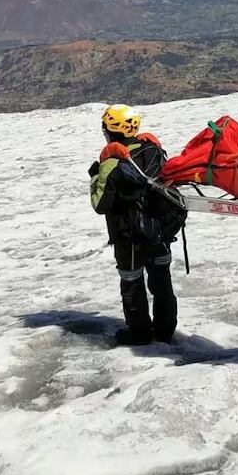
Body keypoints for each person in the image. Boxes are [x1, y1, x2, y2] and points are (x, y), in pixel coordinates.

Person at [88, 104, 179, 345]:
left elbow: (100, 204)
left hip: (128, 236)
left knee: (132, 283)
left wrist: (95, 176)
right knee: (162, 281)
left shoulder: (111, 162)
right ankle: (165, 332)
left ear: (110, 131)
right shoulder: (154, 151)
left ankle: (139, 335)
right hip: (160, 232)